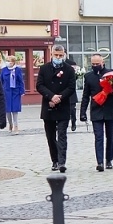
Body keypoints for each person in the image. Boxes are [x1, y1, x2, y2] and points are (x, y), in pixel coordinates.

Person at [37, 43, 79, 172]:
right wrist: (51, 96)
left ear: (64, 55)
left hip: (63, 105)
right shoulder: (44, 68)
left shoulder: (69, 69)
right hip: (48, 105)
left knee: (62, 135)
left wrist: (59, 97)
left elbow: (71, 87)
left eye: (61, 55)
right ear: (51, 54)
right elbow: (39, 85)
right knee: (50, 136)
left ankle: (61, 162)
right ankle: (54, 160)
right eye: (56, 55)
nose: (58, 57)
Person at [80, 54, 113, 172]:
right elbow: (85, 96)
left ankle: (109, 160)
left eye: (97, 64)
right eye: (93, 64)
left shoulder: (111, 74)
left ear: (103, 62)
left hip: (109, 110)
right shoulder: (88, 76)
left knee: (110, 137)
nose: (95, 66)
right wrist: (82, 112)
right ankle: (100, 162)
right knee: (98, 137)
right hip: (96, 110)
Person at [0, 56, 25, 133]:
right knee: (7, 110)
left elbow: (21, 81)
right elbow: (0, 81)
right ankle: (10, 124)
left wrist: (22, 91)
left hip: (15, 92)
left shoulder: (18, 70)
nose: (8, 62)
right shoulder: (4, 70)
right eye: (7, 61)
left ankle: (16, 126)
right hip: (6, 92)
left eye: (10, 61)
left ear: (13, 62)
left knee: (15, 109)